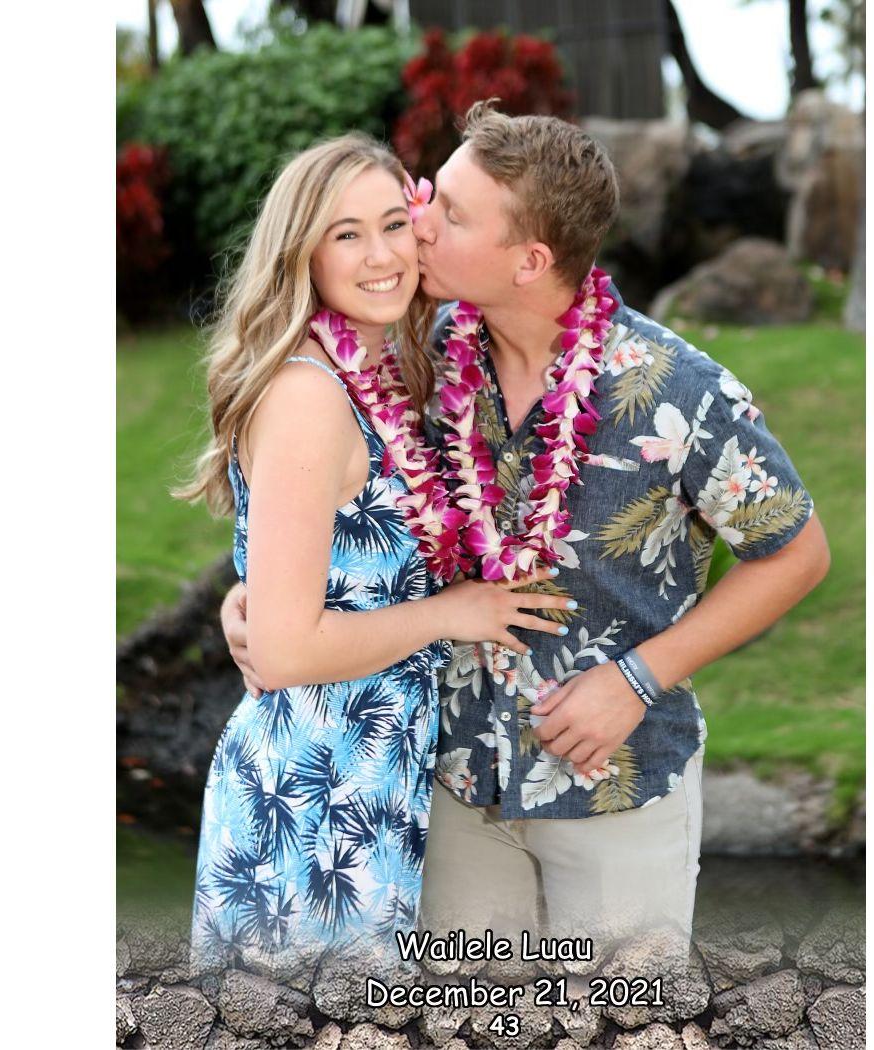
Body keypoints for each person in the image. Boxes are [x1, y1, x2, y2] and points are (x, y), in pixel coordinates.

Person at [222, 105, 831, 967]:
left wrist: (639, 677)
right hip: (453, 786)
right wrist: (255, 592)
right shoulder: (424, 357)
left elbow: (798, 552)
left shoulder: (676, 391)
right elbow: (338, 508)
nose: (418, 226)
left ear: (530, 260)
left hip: (614, 785)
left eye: (450, 214)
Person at [176, 133, 574, 975]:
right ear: (304, 253)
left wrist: (245, 597)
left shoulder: (375, 370)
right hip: (310, 799)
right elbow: (286, 650)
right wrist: (451, 613)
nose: (383, 255)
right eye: (347, 234)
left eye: (395, 223)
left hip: (368, 786)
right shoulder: (308, 396)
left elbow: (306, 577)